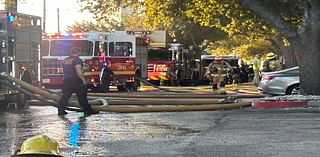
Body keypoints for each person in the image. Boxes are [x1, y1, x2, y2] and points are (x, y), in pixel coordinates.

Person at [58, 47, 98, 115]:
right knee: (82, 96)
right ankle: (87, 110)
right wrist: (83, 80)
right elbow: (78, 71)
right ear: (78, 52)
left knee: (65, 96)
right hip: (76, 80)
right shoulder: (77, 60)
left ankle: (61, 110)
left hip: (67, 80)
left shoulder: (65, 60)